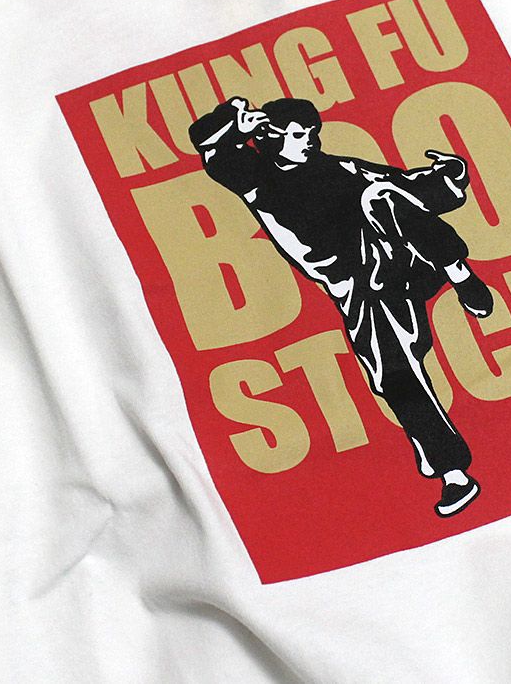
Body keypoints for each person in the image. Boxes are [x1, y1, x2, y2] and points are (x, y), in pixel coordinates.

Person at [189, 95, 495, 517]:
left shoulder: (342, 169)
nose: (309, 141)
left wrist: (452, 172)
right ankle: (453, 474)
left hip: (407, 262)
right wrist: (233, 120)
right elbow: (206, 142)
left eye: (312, 133)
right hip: (361, 291)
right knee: (395, 376)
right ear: (271, 136)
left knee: (380, 196)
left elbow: (411, 189)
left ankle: (460, 273)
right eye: (298, 135)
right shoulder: (255, 178)